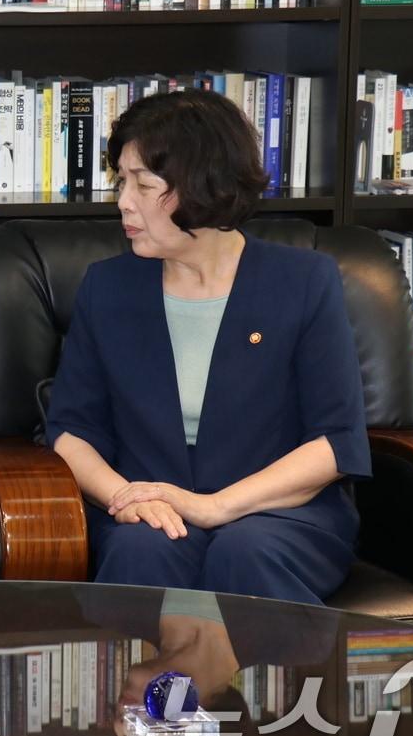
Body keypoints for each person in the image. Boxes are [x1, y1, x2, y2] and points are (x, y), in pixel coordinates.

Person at [44, 89, 372, 605]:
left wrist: (215, 506)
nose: (123, 202)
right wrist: (123, 498)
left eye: (143, 184)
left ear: (202, 188)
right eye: (121, 182)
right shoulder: (108, 287)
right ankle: (136, 690)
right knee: (142, 549)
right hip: (150, 511)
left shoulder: (303, 281)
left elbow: (334, 443)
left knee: (246, 551)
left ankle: (276, 689)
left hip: (279, 514)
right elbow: (70, 430)